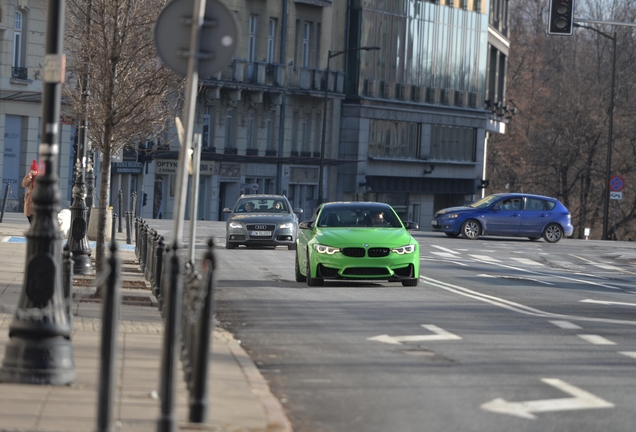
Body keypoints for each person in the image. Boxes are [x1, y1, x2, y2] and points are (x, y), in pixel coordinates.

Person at [22, 160, 38, 224]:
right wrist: (29, 179)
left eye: (35, 171)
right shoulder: (28, 176)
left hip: (36, 197)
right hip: (29, 198)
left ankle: (34, 229)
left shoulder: (39, 177)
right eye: (32, 170)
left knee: (35, 216)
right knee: (29, 215)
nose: (33, 172)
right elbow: (24, 184)